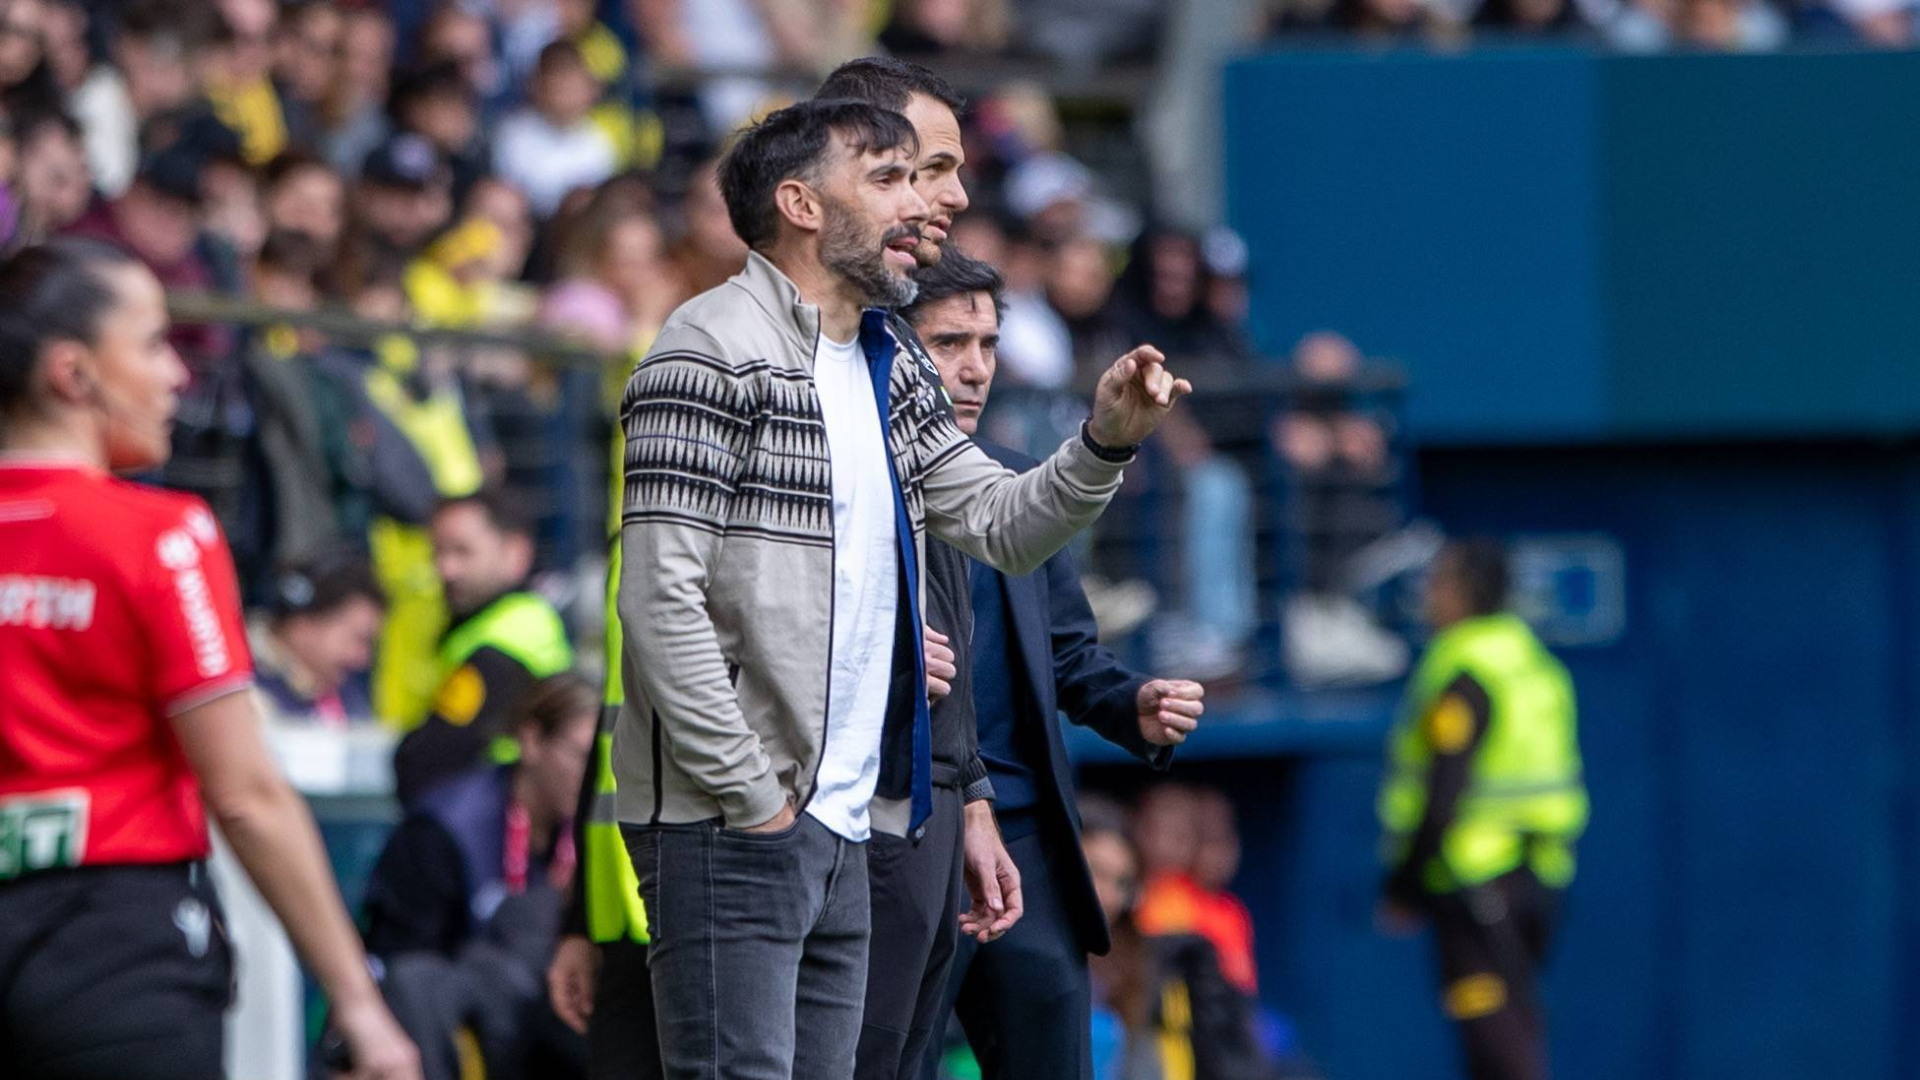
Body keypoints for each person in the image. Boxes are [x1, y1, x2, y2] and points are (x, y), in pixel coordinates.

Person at [615, 98, 1190, 1080]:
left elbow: (1005, 527)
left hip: (850, 821)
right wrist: (752, 796)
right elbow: (659, 602)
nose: (919, 203)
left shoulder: (890, 365)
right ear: (800, 203)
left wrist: (1104, 443)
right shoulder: (704, 351)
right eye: (885, 178)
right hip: (736, 822)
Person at [0, 238, 418, 1079]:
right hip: (117, 950)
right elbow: (248, 794)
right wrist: (360, 1003)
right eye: (153, 345)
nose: (178, 376)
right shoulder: (160, 535)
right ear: (73, 374)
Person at [901, 250, 1209, 1080]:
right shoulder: (854, 488)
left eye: (989, 344)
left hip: (1029, 839)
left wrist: (1133, 703)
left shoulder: (1012, 483)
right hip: (908, 836)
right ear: (891, 351)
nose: (974, 368)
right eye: (947, 343)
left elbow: (1067, 652)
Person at [807, 59, 1018, 1080]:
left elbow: (975, 562)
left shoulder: (899, 384)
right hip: (821, 801)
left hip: (928, 785)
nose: (955, 196)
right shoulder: (765, 357)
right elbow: (684, 599)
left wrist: (971, 792)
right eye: (928, 169)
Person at [1376, 538, 1589, 1080]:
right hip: (1540, 876)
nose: (1426, 594)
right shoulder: (1531, 662)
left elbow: (1443, 791)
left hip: (1477, 881)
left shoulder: (1467, 670)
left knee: (1498, 1043)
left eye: (1437, 581)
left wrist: (1404, 884)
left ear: (1464, 591)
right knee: (1512, 1024)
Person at [365, 673, 598, 1080]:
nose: (596, 776)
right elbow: (406, 974)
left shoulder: (594, 831)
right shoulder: (443, 830)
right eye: (582, 756)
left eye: (605, 760)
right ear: (531, 742)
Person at [393, 490, 574, 804]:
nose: (446, 569)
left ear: (515, 553)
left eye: (463, 552)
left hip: (499, 823)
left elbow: (426, 758)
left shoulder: (502, 645)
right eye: (438, 552)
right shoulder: (515, 623)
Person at [1081, 798, 1270, 1080]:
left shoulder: (1145, 962)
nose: (1106, 894)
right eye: (1096, 871)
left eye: (1120, 882)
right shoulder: (1024, 952)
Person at [253, 548, 385, 723]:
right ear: (302, 624)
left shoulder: (343, 692)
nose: (363, 658)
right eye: (357, 639)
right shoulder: (242, 690)